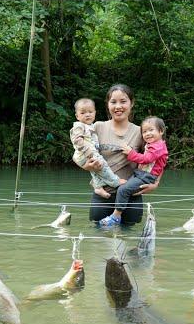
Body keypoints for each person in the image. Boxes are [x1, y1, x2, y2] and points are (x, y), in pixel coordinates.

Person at [81, 84, 160, 225]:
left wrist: (155, 184)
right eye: (113, 102)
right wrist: (86, 166)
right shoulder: (97, 127)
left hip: (131, 197)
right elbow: (80, 151)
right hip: (102, 196)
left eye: (123, 101)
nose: (118, 106)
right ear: (108, 105)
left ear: (131, 103)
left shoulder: (140, 132)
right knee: (98, 241)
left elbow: (159, 157)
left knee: (129, 240)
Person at [98, 116, 168, 227]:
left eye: (151, 130)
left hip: (146, 176)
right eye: (144, 131)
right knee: (127, 189)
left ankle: (116, 217)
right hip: (141, 174)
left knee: (123, 189)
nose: (147, 133)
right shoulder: (154, 145)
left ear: (161, 131)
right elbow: (161, 164)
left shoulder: (157, 147)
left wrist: (130, 153)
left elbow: (147, 159)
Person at [70, 98, 127, 199]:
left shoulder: (91, 126)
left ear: (95, 113)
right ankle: (115, 181)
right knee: (102, 164)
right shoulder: (79, 126)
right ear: (77, 116)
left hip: (86, 153)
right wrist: (89, 153)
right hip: (86, 153)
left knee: (95, 170)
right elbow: (76, 140)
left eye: (90, 112)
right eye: (83, 113)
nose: (87, 115)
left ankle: (98, 187)